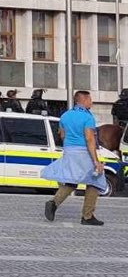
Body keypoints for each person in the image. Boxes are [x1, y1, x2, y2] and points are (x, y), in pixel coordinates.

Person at [43, 90, 109, 226]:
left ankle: (54, 203)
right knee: (95, 180)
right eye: (90, 99)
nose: (91, 102)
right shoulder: (87, 117)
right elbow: (89, 138)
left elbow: (62, 135)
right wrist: (96, 161)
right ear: (83, 100)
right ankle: (87, 216)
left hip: (69, 150)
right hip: (84, 152)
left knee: (71, 180)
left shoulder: (65, 116)